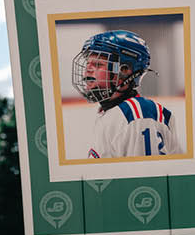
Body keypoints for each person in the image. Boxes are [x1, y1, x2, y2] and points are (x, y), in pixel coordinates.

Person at [71, 30, 183, 158]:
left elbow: (146, 175)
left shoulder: (139, 116)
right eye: (88, 63)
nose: (88, 70)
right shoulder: (111, 112)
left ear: (124, 71)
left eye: (97, 64)